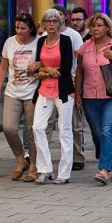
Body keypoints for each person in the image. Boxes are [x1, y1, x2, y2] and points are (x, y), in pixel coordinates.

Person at [75, 13, 112, 185]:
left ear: (107, 27)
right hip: (89, 95)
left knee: (107, 130)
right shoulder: (85, 46)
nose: (95, 29)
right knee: (98, 134)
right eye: (93, 26)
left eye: (99, 25)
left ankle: (104, 169)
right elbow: (79, 71)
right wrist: (78, 94)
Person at [0, 13, 40, 181]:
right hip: (12, 91)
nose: (19, 31)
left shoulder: (38, 41)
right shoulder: (9, 42)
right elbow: (3, 68)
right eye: (17, 28)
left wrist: (39, 64)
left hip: (32, 91)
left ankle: (33, 165)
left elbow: (48, 60)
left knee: (32, 131)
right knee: (8, 128)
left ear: (31, 28)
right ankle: (21, 161)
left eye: (23, 28)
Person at [32, 9, 76, 185]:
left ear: (60, 23)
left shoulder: (65, 40)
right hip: (44, 90)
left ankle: (64, 173)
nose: (51, 24)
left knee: (64, 131)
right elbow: (36, 68)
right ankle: (45, 169)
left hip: (63, 91)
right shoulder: (41, 41)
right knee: (37, 127)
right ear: (43, 24)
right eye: (48, 21)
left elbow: (64, 70)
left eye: (54, 21)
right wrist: (46, 70)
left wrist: (45, 70)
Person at [50, 5, 86, 171]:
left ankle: (78, 156)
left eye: (58, 16)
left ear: (65, 17)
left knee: (74, 123)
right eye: (51, 17)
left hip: (68, 82)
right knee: (46, 123)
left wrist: (76, 80)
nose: (54, 20)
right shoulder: (45, 36)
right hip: (49, 83)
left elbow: (80, 59)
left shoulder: (73, 36)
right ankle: (44, 158)